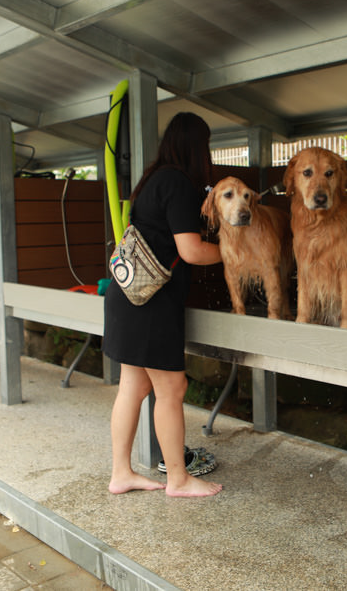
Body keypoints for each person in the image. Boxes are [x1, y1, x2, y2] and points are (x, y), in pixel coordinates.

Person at [104, 112, 224, 498]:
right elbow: (190, 251)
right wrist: (234, 254)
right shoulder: (177, 182)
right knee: (172, 387)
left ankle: (121, 473)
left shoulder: (153, 179)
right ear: (197, 147)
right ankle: (178, 479)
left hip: (126, 296)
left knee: (132, 387)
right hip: (151, 303)